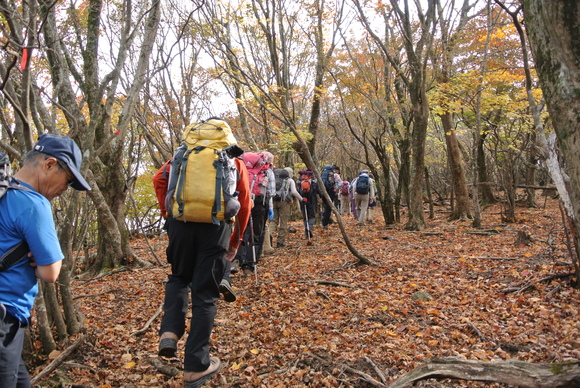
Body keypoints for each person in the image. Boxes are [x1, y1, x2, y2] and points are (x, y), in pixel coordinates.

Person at [157, 119, 252, 387]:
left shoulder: (181, 156)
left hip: (180, 224)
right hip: (216, 228)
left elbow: (158, 180)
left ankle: (169, 332)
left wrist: (170, 215)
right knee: (205, 294)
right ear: (226, 137)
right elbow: (243, 204)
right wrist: (236, 241)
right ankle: (195, 366)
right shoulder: (234, 162)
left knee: (178, 278)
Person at [0, 134, 91, 388]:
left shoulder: (4, 190)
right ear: (49, 164)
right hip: (4, 318)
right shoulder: (33, 203)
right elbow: (51, 271)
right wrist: (40, 262)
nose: (65, 189)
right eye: (68, 180)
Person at [236, 152, 275, 277]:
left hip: (242, 201)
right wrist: (270, 208)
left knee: (242, 230)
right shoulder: (268, 172)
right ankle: (250, 263)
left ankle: (237, 259)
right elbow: (271, 192)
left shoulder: (243, 167)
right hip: (259, 204)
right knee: (256, 233)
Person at [267, 167, 305, 249]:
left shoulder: (274, 178)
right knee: (283, 222)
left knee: (273, 221)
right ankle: (280, 242)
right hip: (284, 202)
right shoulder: (290, 180)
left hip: (273, 201)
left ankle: (269, 236)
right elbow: (294, 192)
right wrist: (301, 199)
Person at [298, 169, 319, 241]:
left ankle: (307, 232)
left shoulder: (300, 181)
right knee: (312, 215)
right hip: (312, 199)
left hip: (302, 199)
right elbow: (318, 190)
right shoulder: (314, 181)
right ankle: (309, 227)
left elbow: (297, 191)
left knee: (305, 216)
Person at [321, 165, 341, 230]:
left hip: (323, 192)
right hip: (331, 191)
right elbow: (339, 183)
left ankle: (323, 218)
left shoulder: (322, 175)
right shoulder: (335, 175)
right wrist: (337, 189)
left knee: (325, 206)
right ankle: (325, 223)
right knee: (328, 208)